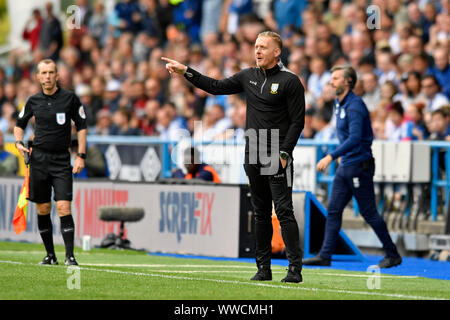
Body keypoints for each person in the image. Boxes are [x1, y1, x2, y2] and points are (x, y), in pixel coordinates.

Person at [162, 30, 305, 283]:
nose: (257, 51)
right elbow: (215, 87)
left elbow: (298, 122)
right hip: (253, 150)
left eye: (263, 47)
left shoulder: (289, 81)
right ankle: (263, 269)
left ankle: (294, 269)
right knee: (260, 212)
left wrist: (285, 152)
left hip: (275, 150)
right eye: (256, 46)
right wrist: (187, 71)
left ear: (276, 52)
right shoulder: (247, 76)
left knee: (283, 211)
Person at [303, 65, 402, 269]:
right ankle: (325, 254)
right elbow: (351, 136)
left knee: (368, 212)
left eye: (336, 78)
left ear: (348, 82)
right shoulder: (340, 104)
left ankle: (392, 254)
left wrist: (332, 155)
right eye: (332, 78)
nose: (331, 82)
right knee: (333, 210)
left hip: (359, 166)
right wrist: (343, 155)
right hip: (347, 165)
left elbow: (357, 137)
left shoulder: (355, 105)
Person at [14, 59, 87, 266]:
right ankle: (50, 255)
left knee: (64, 206)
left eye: (51, 72)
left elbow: (82, 126)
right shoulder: (33, 101)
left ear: (57, 76)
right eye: (43, 73)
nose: (47, 76)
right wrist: (19, 143)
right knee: (43, 208)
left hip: (61, 159)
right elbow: (19, 125)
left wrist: (81, 155)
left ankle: (70, 256)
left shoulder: (70, 99)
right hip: (38, 160)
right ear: (37, 76)